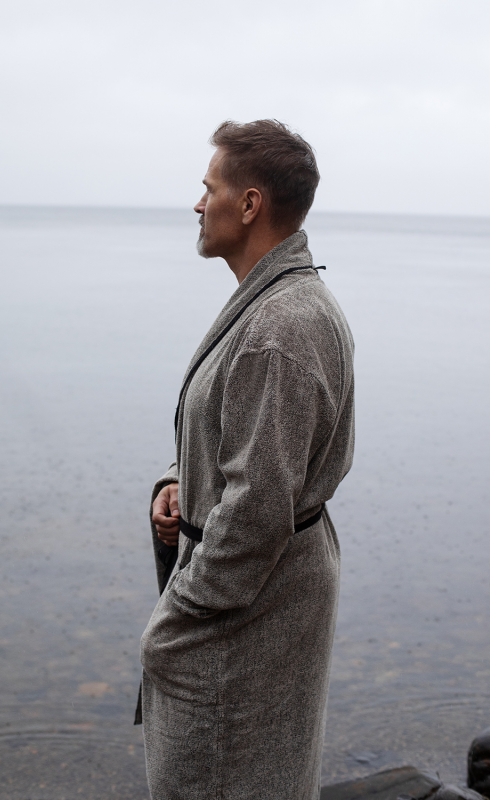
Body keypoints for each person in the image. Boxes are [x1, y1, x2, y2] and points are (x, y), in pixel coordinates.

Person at [138, 119, 355, 800]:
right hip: (271, 593)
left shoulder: (279, 328)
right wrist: (182, 480)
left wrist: (177, 619)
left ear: (251, 203)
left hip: (247, 612)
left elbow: (257, 511)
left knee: (223, 778)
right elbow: (250, 445)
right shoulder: (276, 302)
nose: (198, 204)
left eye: (210, 189)